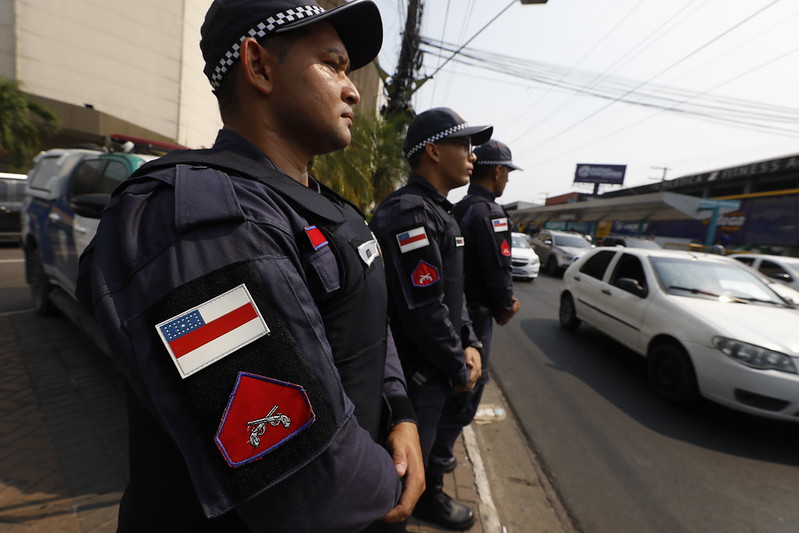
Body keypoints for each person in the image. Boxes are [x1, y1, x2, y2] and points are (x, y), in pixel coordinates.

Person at [74, 1, 423, 531]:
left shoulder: (328, 208)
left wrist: (400, 413)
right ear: (258, 66)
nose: (351, 89)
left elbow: (369, 321)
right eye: (331, 64)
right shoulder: (198, 220)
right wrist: (391, 480)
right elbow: (312, 484)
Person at [370, 107, 492, 531]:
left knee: (416, 473)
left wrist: (471, 342)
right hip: (410, 377)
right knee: (397, 484)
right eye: (463, 144)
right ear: (434, 151)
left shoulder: (439, 212)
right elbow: (424, 310)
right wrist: (458, 365)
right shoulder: (410, 214)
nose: (472, 154)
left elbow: (451, 294)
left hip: (433, 372)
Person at [430, 139, 522, 477]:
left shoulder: (460, 207)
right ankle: (436, 469)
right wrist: (505, 305)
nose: (508, 180)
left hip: (456, 311)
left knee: (451, 388)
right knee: (466, 392)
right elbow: (500, 270)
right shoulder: (491, 214)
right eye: (507, 173)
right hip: (477, 316)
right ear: (497, 172)